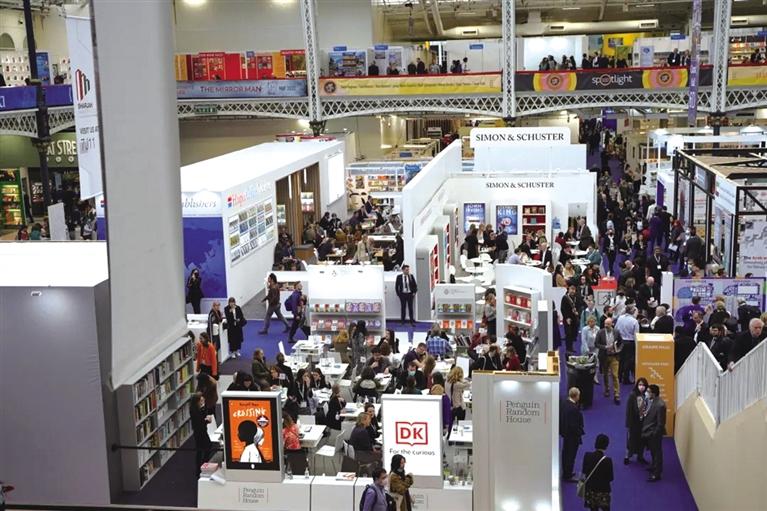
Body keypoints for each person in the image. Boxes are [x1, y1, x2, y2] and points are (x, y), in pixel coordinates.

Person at [581, 434, 614, 511]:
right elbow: (610, 478)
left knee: (593, 509)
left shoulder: (587, 455)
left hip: (590, 490)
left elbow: (584, 471)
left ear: (595, 443)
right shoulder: (608, 460)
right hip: (603, 491)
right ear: (606, 446)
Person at [642, 384, 666, 482]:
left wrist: (654, 434)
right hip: (648, 431)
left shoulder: (660, 405)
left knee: (657, 453)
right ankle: (653, 466)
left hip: (654, 434)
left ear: (654, 393)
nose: (646, 393)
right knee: (653, 452)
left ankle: (657, 474)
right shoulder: (650, 401)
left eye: (648, 391)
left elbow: (661, 423)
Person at [560, 387, 585, 481]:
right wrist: (579, 432)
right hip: (572, 436)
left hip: (566, 434)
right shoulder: (574, 409)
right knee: (570, 456)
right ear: (576, 396)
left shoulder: (564, 403)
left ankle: (566, 472)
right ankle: (568, 475)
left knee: (566, 454)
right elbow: (574, 425)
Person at [596, 317, 622, 403]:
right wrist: (605, 347)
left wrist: (618, 350)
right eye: (605, 324)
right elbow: (596, 344)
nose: (606, 325)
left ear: (612, 324)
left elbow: (621, 343)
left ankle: (616, 394)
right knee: (605, 374)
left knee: (615, 375)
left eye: (608, 324)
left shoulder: (616, 332)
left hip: (614, 357)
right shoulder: (600, 332)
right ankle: (607, 389)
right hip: (604, 357)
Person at [624, 377, 649, 465]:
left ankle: (640, 456)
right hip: (634, 422)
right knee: (631, 440)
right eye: (640, 384)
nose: (641, 387)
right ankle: (627, 456)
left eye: (643, 385)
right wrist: (628, 423)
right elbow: (629, 410)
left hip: (643, 422)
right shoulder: (633, 395)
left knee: (642, 440)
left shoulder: (646, 395)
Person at [614, 306, 639, 386]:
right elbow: (636, 335)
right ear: (633, 311)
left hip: (621, 341)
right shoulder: (634, 321)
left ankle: (619, 377)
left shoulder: (620, 318)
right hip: (630, 342)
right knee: (628, 361)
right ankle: (626, 378)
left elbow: (616, 329)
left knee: (620, 359)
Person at [190, 392, 213, 477]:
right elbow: (200, 422)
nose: (203, 402)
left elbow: (204, 416)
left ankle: (203, 465)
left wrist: (204, 409)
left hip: (203, 431)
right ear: (197, 401)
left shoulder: (201, 407)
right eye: (201, 400)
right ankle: (200, 467)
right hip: (199, 432)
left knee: (207, 447)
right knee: (201, 449)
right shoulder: (194, 410)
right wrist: (207, 420)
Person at [561, 285, 580, 354]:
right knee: (568, 334)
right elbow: (562, 309)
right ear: (568, 290)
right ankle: (568, 349)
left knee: (573, 334)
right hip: (567, 319)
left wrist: (578, 312)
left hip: (575, 318)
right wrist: (566, 318)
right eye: (571, 289)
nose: (572, 291)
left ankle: (571, 347)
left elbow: (579, 306)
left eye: (574, 290)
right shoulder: (565, 298)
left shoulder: (576, 297)